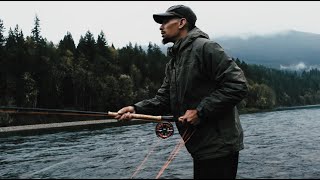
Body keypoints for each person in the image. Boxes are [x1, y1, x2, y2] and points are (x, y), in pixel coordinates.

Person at [115, 4, 248, 179]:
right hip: (200, 147)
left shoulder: (206, 47)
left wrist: (200, 112)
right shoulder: (174, 62)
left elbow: (238, 85)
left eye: (165, 21)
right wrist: (136, 109)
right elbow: (164, 99)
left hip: (219, 146)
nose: (160, 27)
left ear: (182, 23)